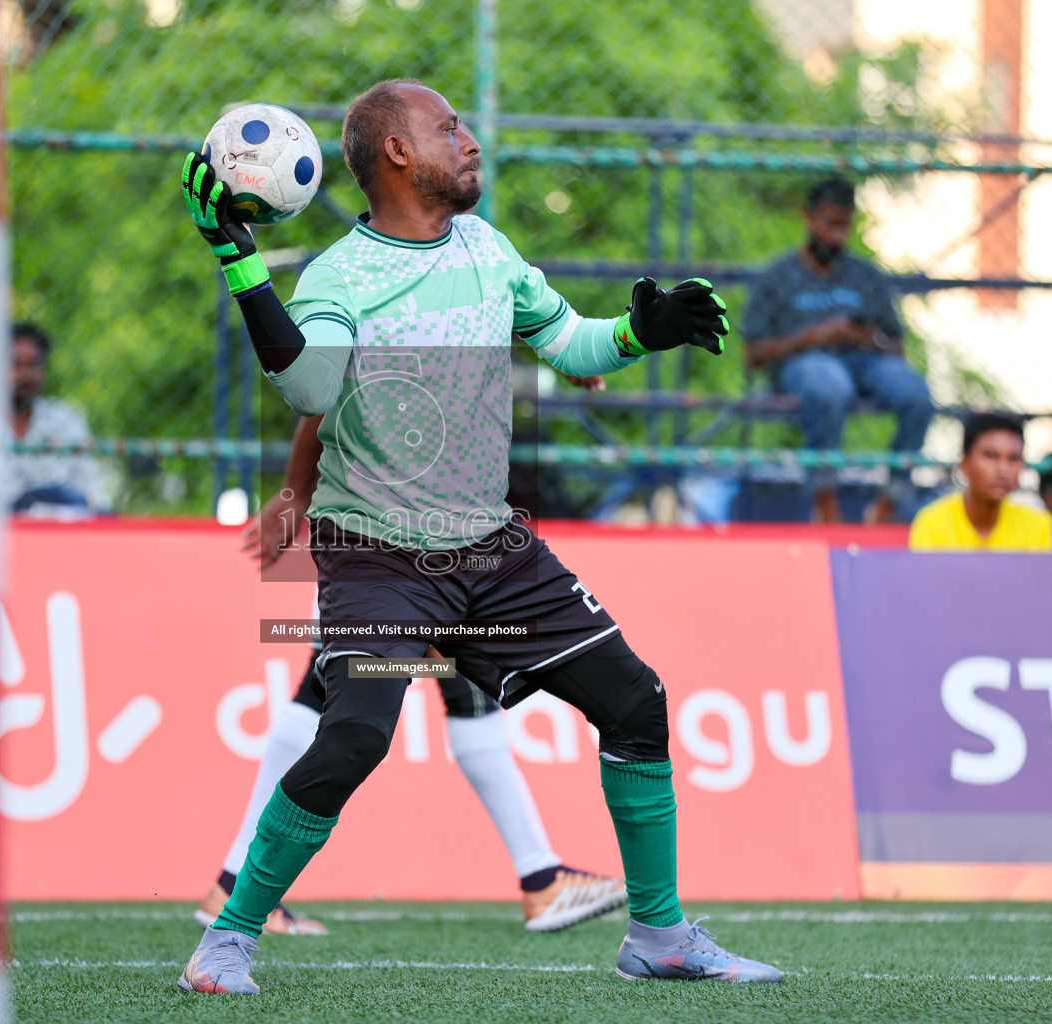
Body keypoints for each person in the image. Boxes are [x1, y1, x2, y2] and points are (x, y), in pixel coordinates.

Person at [176, 78, 780, 993]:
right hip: (381, 559)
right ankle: (228, 939)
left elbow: (575, 346)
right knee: (353, 738)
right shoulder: (340, 276)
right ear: (398, 154)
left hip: (493, 554)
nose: (471, 140)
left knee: (637, 703)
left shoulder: (489, 249)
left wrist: (640, 331)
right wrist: (239, 261)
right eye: (449, 127)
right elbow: (307, 392)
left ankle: (658, 938)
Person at [199, 415, 628, 936]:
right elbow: (320, 397)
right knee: (357, 697)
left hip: (398, 542)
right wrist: (292, 497)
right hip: (388, 551)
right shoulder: (398, 349)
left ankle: (541, 878)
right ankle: (541, 879)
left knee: (337, 691)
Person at [744, 177, 935, 524]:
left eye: (845, 226)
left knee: (916, 396)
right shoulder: (777, 276)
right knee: (829, 385)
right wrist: (814, 336)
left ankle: (888, 503)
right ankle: (825, 502)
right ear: (808, 217)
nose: (837, 235)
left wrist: (864, 337)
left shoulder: (865, 276)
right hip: (804, 363)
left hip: (865, 361)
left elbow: (896, 346)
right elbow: (752, 354)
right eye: (830, 224)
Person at [3, 321, 110, 513]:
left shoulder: (65, 421)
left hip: (57, 532)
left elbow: (92, 492)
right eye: (15, 364)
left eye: (34, 365)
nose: (25, 374)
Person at [909, 412, 1052, 552]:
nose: (1003, 470)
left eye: (1013, 458)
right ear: (964, 464)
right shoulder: (932, 523)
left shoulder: (1036, 525)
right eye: (990, 456)